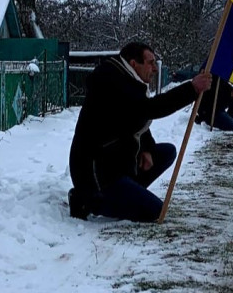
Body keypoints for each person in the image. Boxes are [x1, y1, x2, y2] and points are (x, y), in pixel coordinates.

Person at [68, 42, 212, 222]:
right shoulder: (110, 80)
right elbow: (148, 109)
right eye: (150, 63)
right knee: (156, 212)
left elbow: (135, 120)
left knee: (166, 152)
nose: (154, 69)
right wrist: (191, 89)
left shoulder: (127, 78)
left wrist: (146, 148)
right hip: (97, 172)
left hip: (119, 163)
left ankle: (129, 191)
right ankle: (87, 200)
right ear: (134, 63)